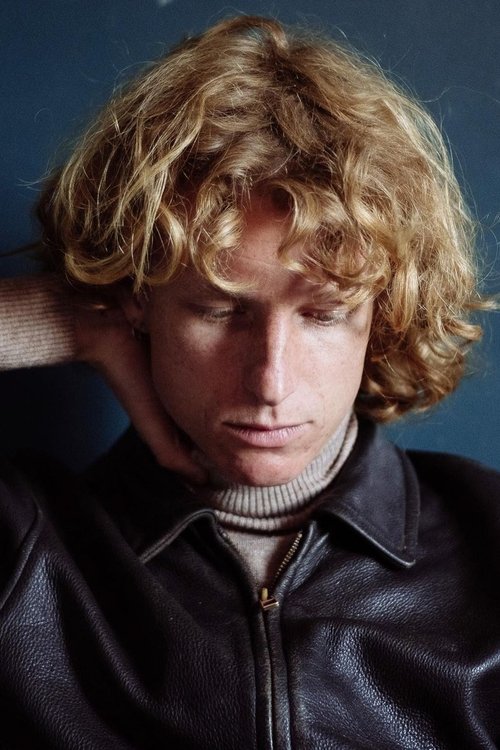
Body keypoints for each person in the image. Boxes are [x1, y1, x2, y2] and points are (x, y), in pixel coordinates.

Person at [0, 14, 499, 750]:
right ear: (139, 300)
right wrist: (76, 318)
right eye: (217, 309)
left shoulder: (489, 537)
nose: (270, 380)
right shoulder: (30, 552)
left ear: (384, 313)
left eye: (323, 314)